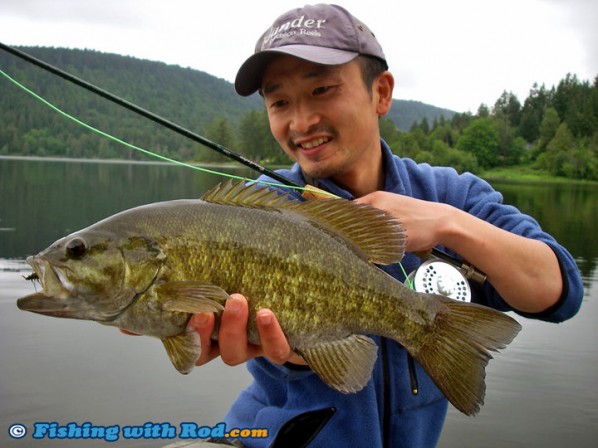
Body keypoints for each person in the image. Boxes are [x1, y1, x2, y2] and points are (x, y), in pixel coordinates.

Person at [187, 4, 583, 447]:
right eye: (279, 102)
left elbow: (561, 292)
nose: (300, 122)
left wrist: (449, 224)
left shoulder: (451, 195)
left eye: (322, 89)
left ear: (381, 93)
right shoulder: (261, 211)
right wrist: (296, 352)